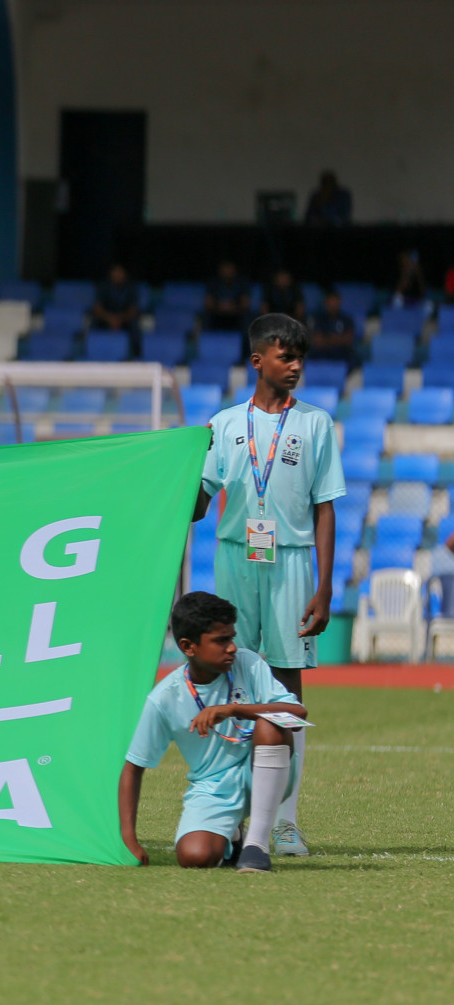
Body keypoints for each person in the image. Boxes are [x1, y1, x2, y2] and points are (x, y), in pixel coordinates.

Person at [192, 313, 344, 857]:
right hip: (235, 560)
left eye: (301, 357)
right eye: (287, 356)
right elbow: (199, 505)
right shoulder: (226, 424)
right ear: (259, 361)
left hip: (293, 563)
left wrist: (325, 588)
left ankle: (283, 820)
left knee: (285, 690)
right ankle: (234, 818)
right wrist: (173, 474)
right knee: (232, 683)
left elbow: (325, 509)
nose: (296, 365)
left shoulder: (316, 424)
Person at [119, 592, 307, 873]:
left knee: (271, 723)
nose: (231, 648)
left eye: (231, 638)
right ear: (188, 646)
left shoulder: (248, 662)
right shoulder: (164, 698)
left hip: (263, 771)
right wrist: (129, 838)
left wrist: (233, 709)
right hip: (212, 788)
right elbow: (133, 768)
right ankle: (233, 836)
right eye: (221, 641)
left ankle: (257, 846)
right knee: (195, 857)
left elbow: (297, 713)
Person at [309, 291, 357, 367]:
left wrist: (327, 339)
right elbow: (317, 340)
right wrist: (338, 339)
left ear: (339, 302)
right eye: (331, 302)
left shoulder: (347, 319)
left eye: (335, 302)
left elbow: (348, 340)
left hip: (341, 351)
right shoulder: (319, 319)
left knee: (354, 357)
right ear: (326, 303)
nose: (333, 305)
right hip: (323, 352)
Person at [91, 263, 140, 331]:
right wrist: (110, 319)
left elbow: (133, 311)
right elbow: (98, 309)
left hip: (124, 319)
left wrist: (119, 319)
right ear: (110, 273)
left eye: (120, 272)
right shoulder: (102, 286)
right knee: (94, 321)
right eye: (115, 272)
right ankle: (93, 341)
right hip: (106, 318)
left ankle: (135, 342)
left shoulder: (131, 288)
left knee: (134, 324)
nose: (117, 275)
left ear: (125, 274)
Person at [204, 260, 251, 331]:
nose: (227, 272)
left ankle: (245, 340)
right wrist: (219, 307)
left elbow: (245, 304)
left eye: (229, 269)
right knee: (205, 315)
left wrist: (232, 307)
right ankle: (207, 339)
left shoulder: (242, 282)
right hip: (217, 312)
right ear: (220, 270)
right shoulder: (213, 283)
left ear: (235, 270)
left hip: (236, 313)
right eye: (225, 269)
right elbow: (208, 303)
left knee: (247, 317)